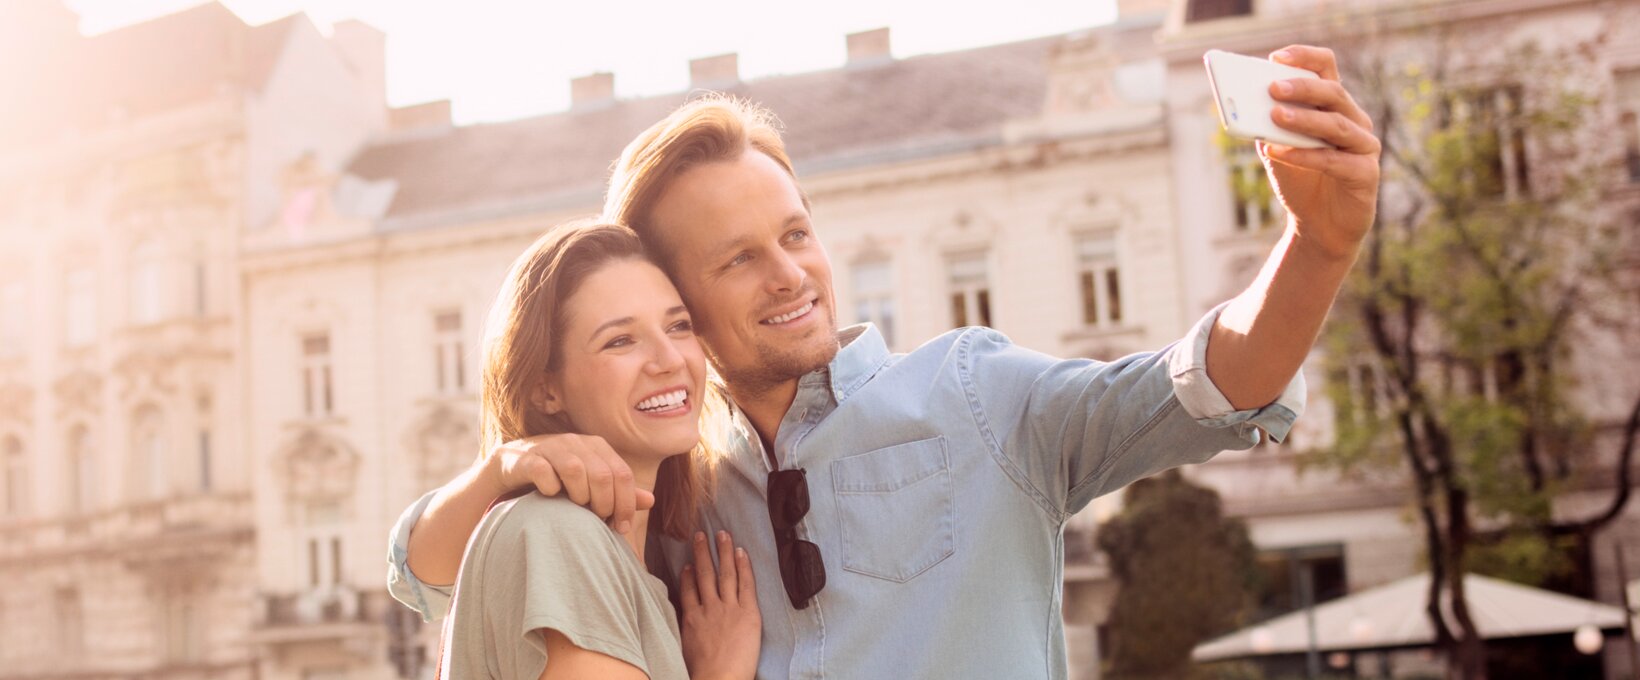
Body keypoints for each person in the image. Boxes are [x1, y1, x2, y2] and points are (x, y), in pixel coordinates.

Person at [389, 45, 1380, 678]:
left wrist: (1316, 246)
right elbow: (430, 574)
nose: (791, 274)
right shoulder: (669, 493)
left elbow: (1210, 380)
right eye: (738, 259)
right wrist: (507, 462)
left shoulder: (979, 395)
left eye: (796, 233)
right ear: (680, 304)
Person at [437, 221, 761, 679]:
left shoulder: (620, 556)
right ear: (546, 391)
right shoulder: (558, 535)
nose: (670, 359)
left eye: (679, 325)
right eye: (620, 340)